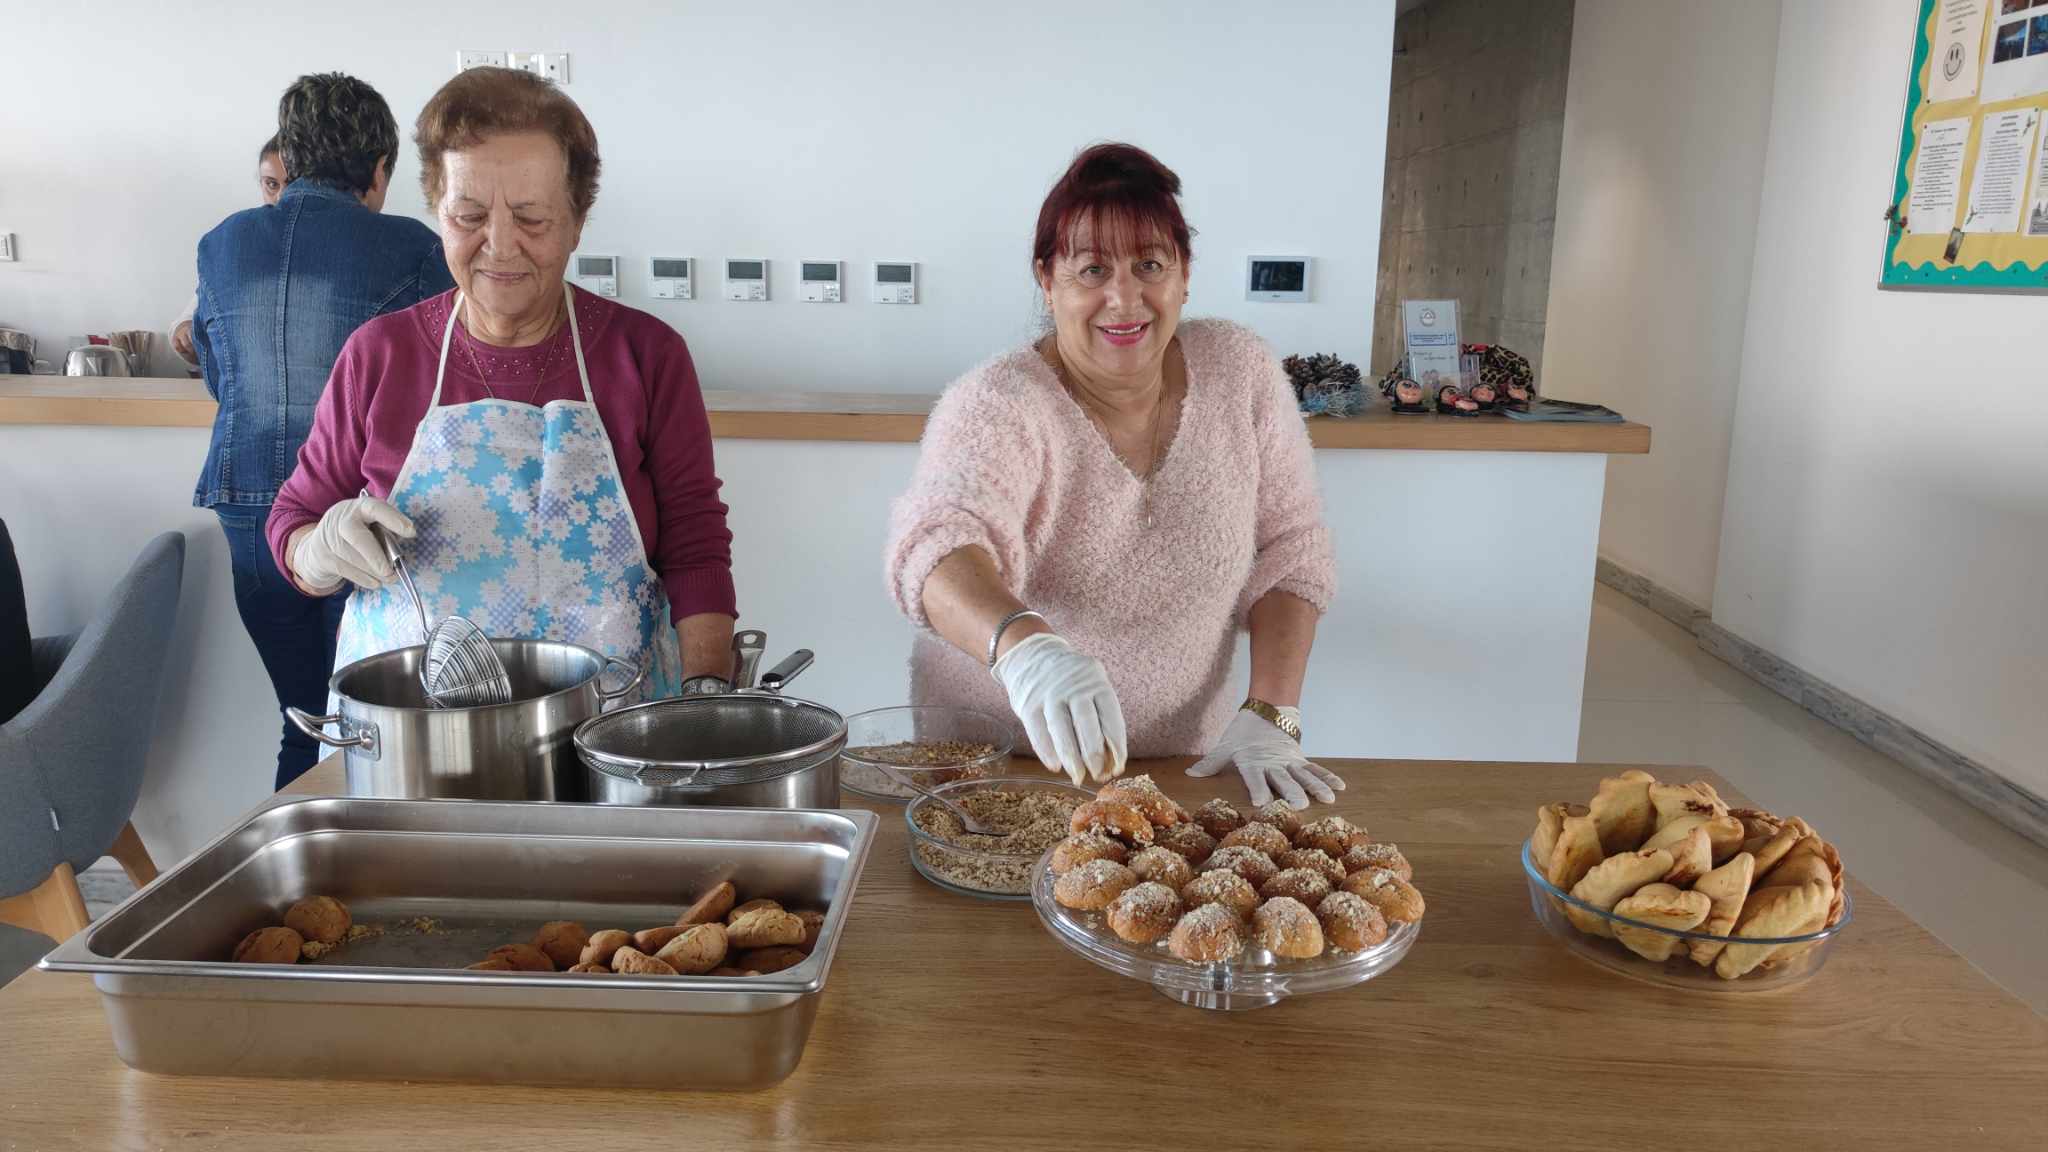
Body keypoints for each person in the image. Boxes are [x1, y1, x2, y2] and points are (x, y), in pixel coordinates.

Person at [885, 143, 1341, 809]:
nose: (1123, 300)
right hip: (996, 768)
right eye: (1092, 269)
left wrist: (1274, 714)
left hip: (1189, 768)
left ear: (1184, 274)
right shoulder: (999, 403)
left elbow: (1292, 550)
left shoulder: (1240, 371)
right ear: (1048, 279)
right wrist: (1026, 652)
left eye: (1149, 265)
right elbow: (936, 546)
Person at [266, 67, 736, 705]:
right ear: (438, 213)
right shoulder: (380, 355)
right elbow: (293, 519)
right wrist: (317, 552)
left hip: (610, 732)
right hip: (414, 736)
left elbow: (696, 546)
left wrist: (706, 693)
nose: (500, 246)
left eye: (533, 219)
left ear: (577, 222)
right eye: (469, 216)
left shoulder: (646, 356)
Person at [192, 74, 455, 789]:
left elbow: (219, 376)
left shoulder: (221, 244)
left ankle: (300, 881)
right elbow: (444, 387)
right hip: (361, 514)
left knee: (305, 715)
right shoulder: (414, 249)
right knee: (381, 723)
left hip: (247, 510)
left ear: (293, 155)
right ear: (378, 171)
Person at [172, 137, 288, 368]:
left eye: (292, 185)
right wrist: (185, 333)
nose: (281, 197)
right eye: (272, 185)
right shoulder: (239, 242)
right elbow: (191, 315)